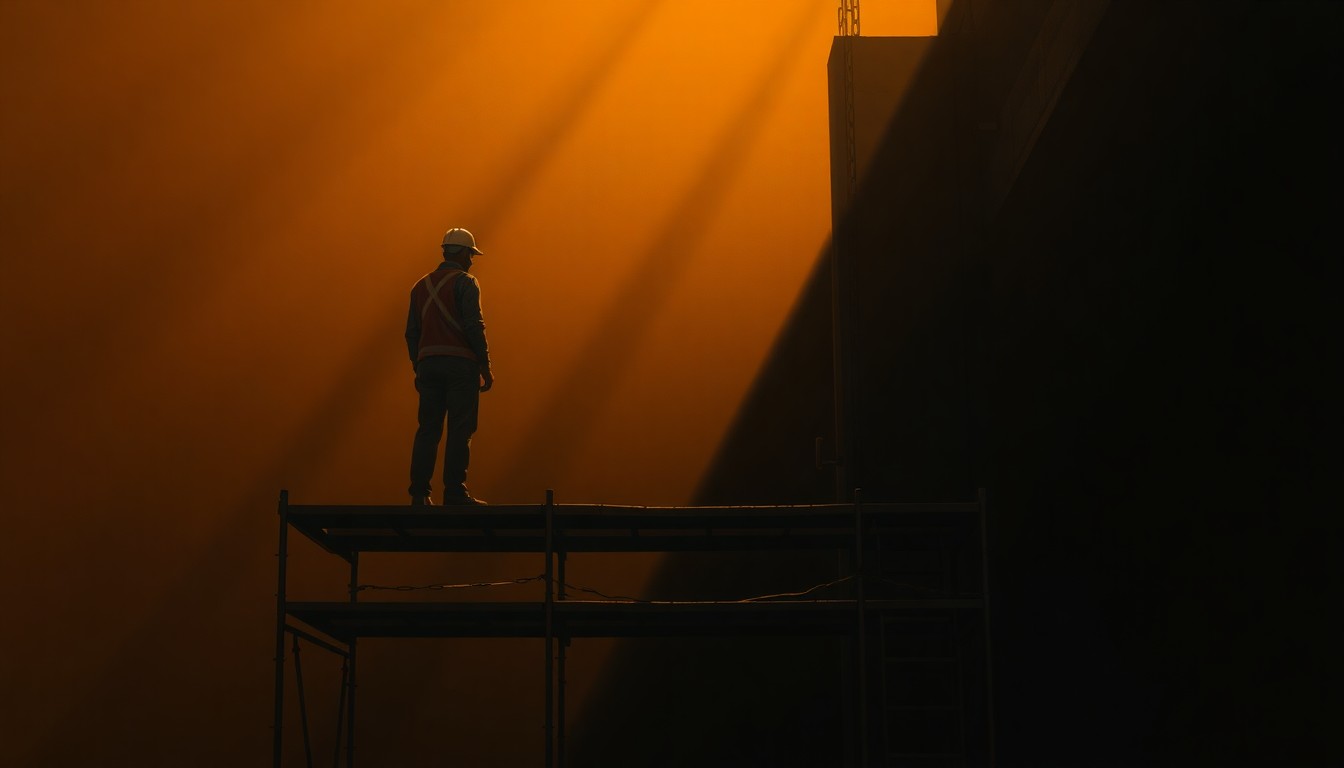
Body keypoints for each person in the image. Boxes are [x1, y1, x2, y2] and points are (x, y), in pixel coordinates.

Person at [405, 227, 494, 506]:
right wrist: (485, 364)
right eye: (471, 254)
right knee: (460, 428)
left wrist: (418, 366)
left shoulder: (420, 286)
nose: (472, 260)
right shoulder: (467, 282)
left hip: (428, 365)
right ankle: (455, 492)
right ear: (464, 253)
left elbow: (411, 333)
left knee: (428, 429)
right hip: (460, 366)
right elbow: (473, 325)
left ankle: (420, 495)